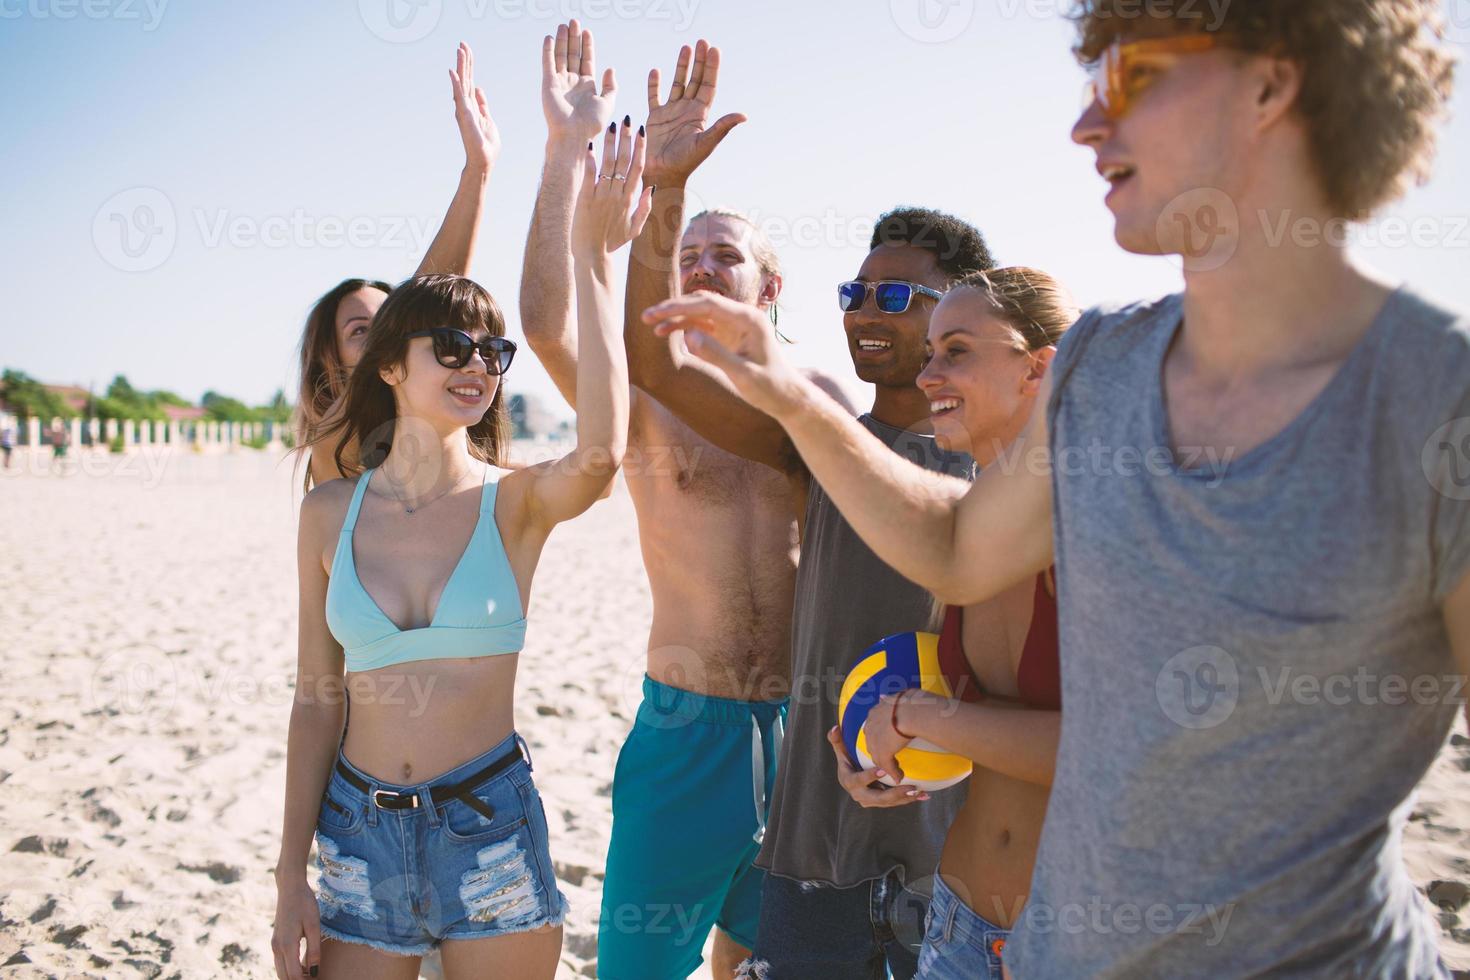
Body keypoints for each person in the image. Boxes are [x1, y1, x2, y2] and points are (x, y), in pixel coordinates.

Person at [642, 1, 1468, 975]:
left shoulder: (1428, 397)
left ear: (1270, 84)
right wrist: (793, 398)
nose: (1086, 125)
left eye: (1134, 79)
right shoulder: (1105, 364)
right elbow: (956, 548)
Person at [621, 41, 995, 978]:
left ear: (965, 311)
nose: (869, 310)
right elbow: (656, 362)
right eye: (857, 292)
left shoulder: (1015, 470)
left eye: (898, 295)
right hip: (812, 850)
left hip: (952, 853)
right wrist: (664, 196)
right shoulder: (819, 437)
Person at [270, 121, 650, 979]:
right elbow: (316, 701)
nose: (477, 363)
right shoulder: (327, 512)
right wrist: (290, 873)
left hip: (488, 830)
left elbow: (601, 454)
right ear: (392, 370)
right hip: (356, 834)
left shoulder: (513, 503)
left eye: (491, 350)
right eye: (450, 346)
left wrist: (594, 257)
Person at [518, 25, 849, 978]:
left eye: (723, 256)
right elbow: (543, 322)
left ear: (770, 286)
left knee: (755, 963)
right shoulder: (643, 404)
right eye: (687, 254)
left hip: (807, 734)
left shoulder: (813, 404)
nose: (699, 267)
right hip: (685, 734)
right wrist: (562, 154)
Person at [814, 268, 1074, 980]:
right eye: (929, 352)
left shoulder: (1089, 527)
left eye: (955, 350)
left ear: (1037, 369)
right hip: (958, 924)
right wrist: (884, 750)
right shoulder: (970, 527)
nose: (928, 374)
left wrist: (918, 714)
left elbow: (1109, 749)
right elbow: (985, 726)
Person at [294, 42, 499, 493]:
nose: (383, 334)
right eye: (360, 330)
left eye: (388, 319)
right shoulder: (338, 438)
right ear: (330, 360)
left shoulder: (452, 439)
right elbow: (429, 291)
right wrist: (477, 173)